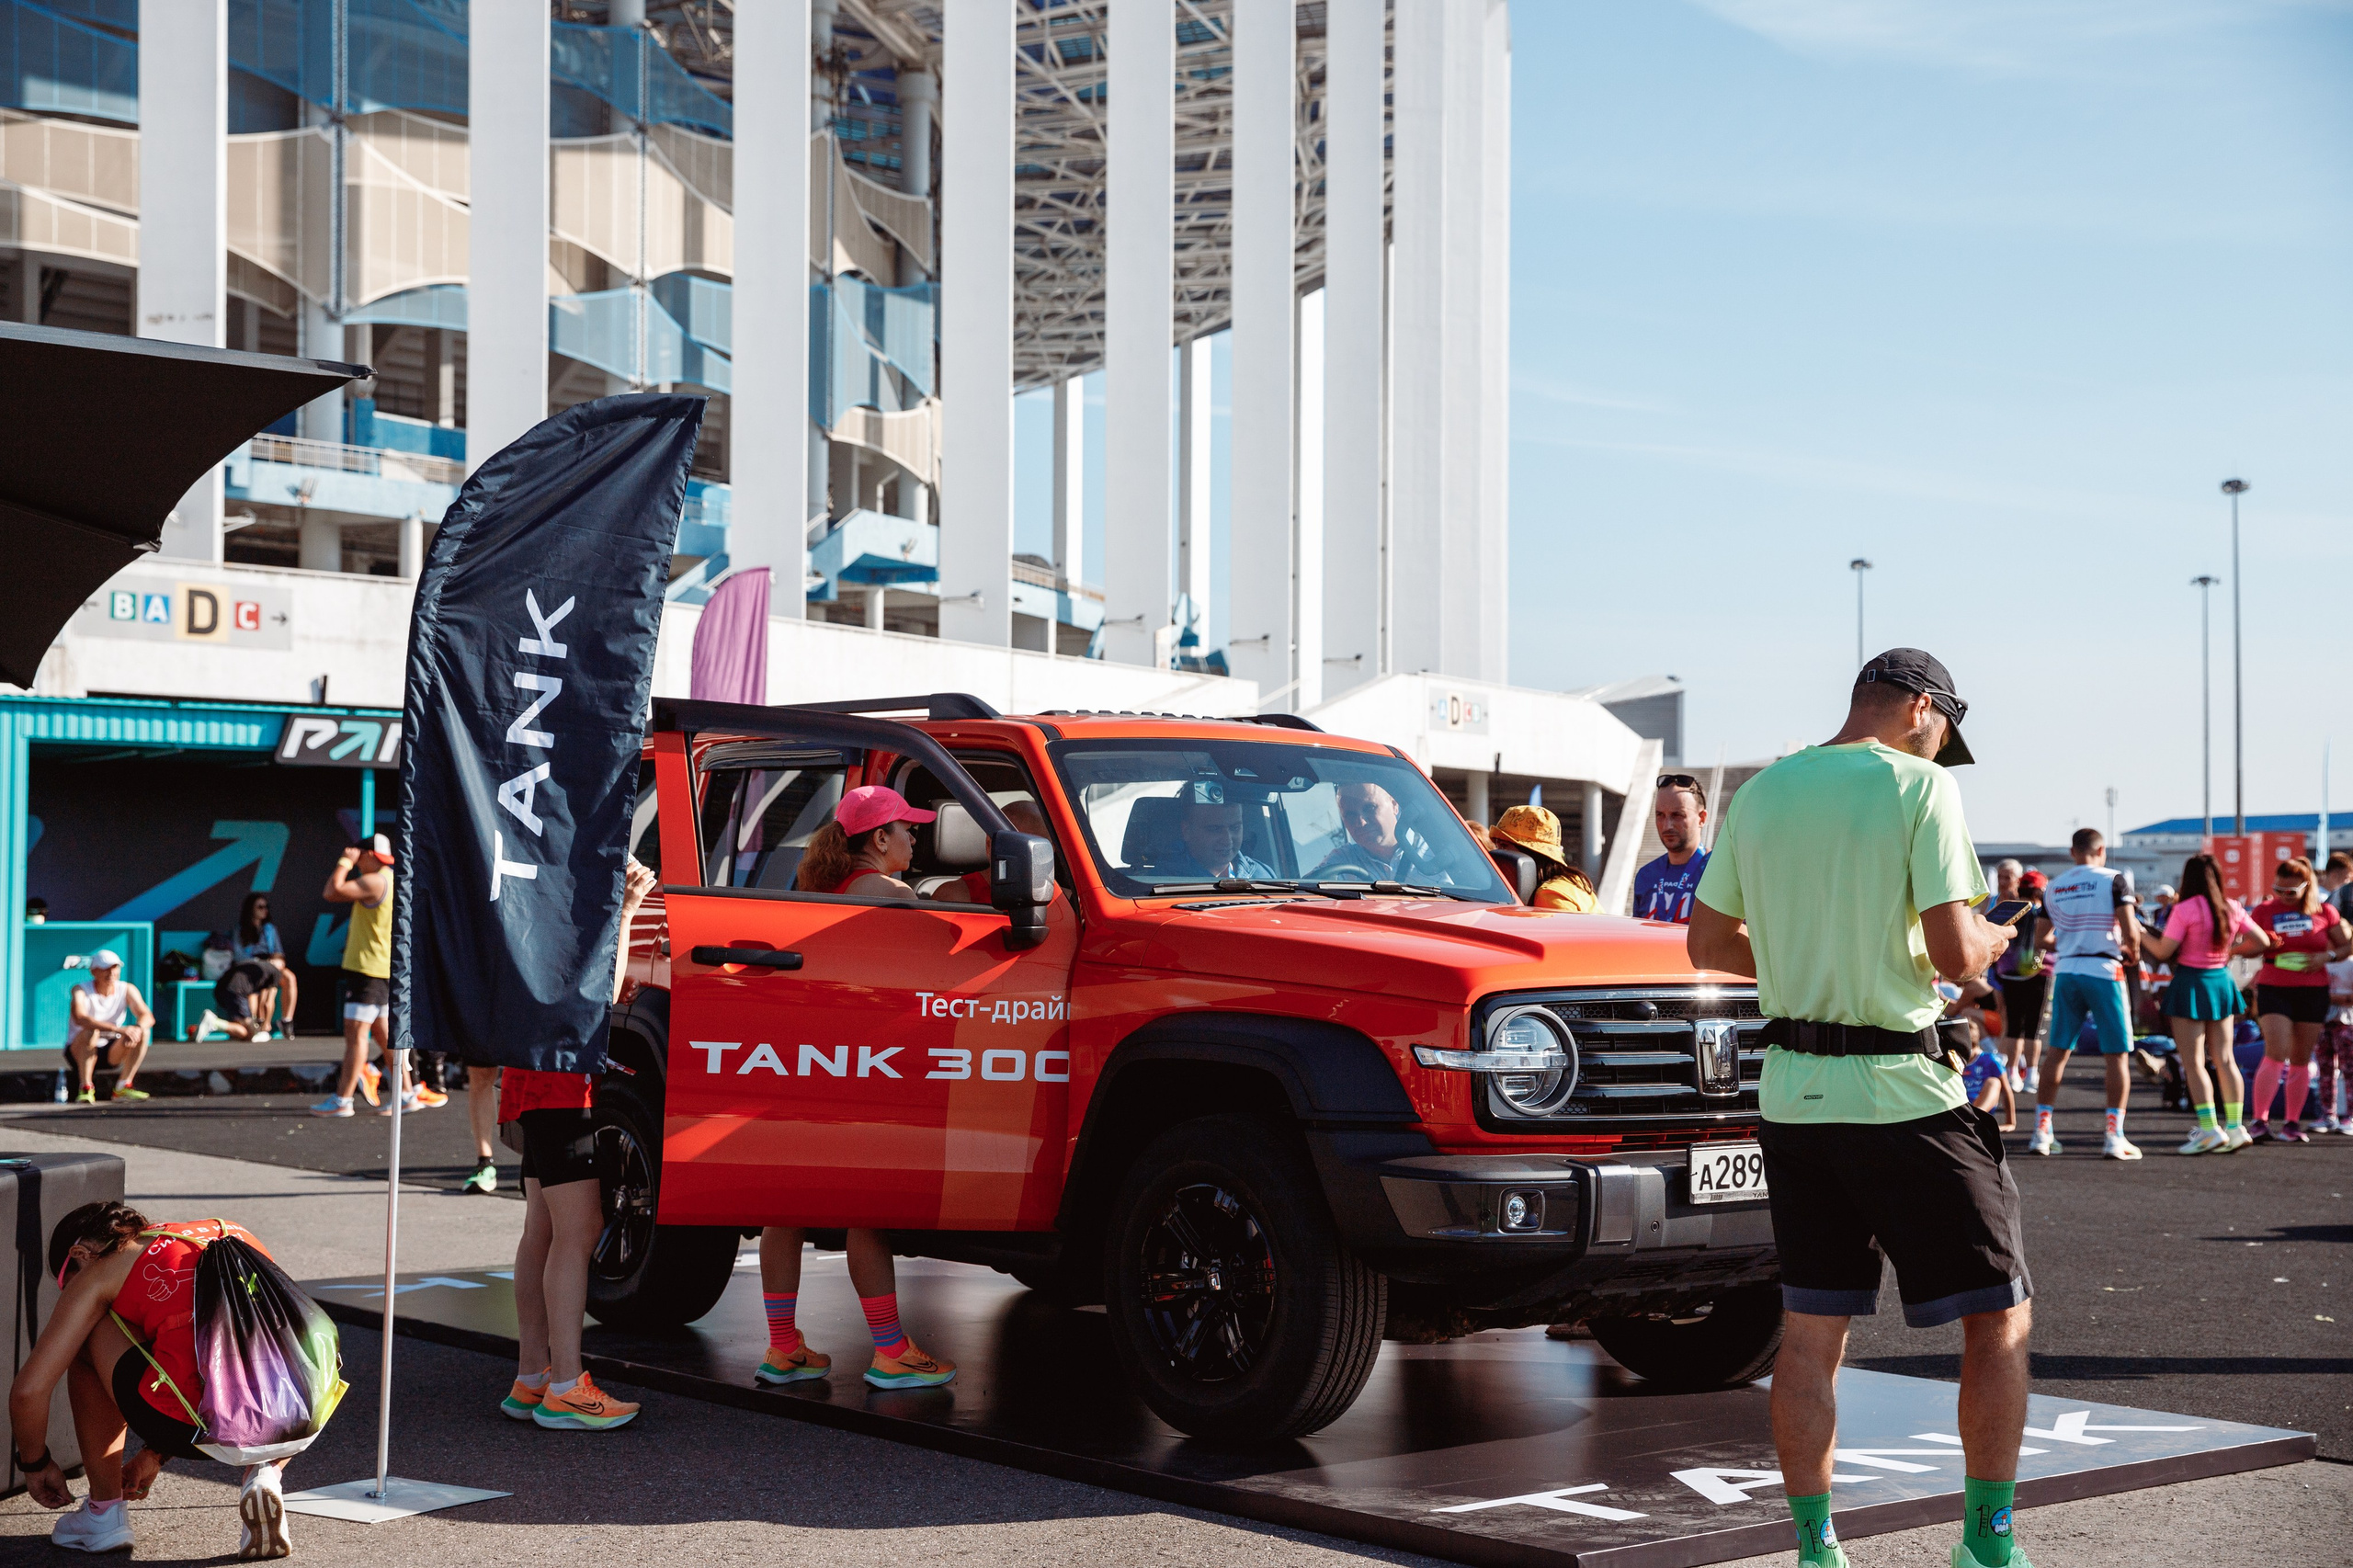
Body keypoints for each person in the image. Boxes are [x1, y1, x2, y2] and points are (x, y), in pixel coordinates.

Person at [1686, 649, 2031, 1568]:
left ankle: (1815, 1551)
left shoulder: (1761, 790)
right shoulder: (1920, 787)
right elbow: (1957, 955)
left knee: (1808, 1334)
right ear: (1922, 707)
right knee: (1998, 1316)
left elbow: (1708, 943)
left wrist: (1809, 962)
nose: (1941, 748)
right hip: (1904, 1092)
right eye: (1943, 732)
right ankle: (1987, 1547)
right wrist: (1996, 936)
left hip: (1793, 1096)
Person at [749, 811, 960, 1392]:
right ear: (879, 838)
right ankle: (891, 1350)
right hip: (865, 1064)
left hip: (808, 1057)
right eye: (908, 830)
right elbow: (952, 954)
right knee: (866, 1207)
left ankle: (783, 1347)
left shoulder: (817, 891)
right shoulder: (893, 894)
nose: (916, 839)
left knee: (784, 1207)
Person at [9, 1202, 293, 1558]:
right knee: (260, 1354)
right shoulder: (225, 1229)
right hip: (296, 1411)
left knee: (82, 1340)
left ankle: (104, 1513)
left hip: (193, 1424)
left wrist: (35, 1464)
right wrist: (154, 1456)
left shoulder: (104, 1269)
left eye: (68, 1282)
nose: (71, 1293)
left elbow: (28, 1392)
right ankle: (264, 1474)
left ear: (80, 1254)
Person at [499, 858, 657, 1432]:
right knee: (577, 1231)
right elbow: (597, 999)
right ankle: (566, 1384)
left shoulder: (536, 896)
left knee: (541, 1230)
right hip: (560, 1082)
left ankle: (533, 1376)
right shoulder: (563, 905)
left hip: (536, 1077)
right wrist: (629, 909)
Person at [2027, 829, 2143, 1161]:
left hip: (2066, 970)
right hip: (2104, 970)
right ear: (2101, 850)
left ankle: (2042, 1131)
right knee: (2117, 1055)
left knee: (2057, 1052)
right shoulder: (2114, 879)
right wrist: (2131, 950)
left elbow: (2041, 938)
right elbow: (2130, 928)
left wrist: (2069, 939)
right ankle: (2114, 1136)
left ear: (2072, 851)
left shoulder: (2056, 885)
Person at [2141, 851, 2269, 1154]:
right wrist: (2232, 951)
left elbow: (2163, 950)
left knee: (2194, 1062)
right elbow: (2261, 942)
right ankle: (2236, 1127)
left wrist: (2138, 933)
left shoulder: (2185, 909)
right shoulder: (2232, 906)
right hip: (2221, 981)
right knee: (2225, 1059)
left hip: (2191, 982)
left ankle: (2210, 1129)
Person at [312, 835, 442, 1117]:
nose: (359, 863)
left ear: (368, 854)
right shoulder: (392, 878)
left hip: (369, 971)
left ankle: (342, 1100)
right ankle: (407, 1094)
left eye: (361, 857)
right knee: (385, 1037)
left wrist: (345, 861)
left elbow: (332, 891)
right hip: (383, 969)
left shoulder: (375, 881)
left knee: (356, 1035)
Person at [2245, 856, 2352, 1143]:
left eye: (2290, 892)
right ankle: (2259, 1121)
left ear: (2307, 887)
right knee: (2275, 1051)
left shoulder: (2325, 912)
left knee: (2302, 1058)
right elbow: (2244, 947)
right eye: (2279, 890)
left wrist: (2326, 956)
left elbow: (2346, 944)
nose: (2283, 897)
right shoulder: (2264, 910)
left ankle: (2292, 1123)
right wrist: (2262, 942)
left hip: (2313, 991)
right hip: (2274, 987)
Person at [1988, 864, 2048, 1096]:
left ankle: (2012, 1072)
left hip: (2008, 971)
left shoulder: (2010, 909)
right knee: (2033, 1027)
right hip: (2037, 970)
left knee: (2013, 1026)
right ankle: (2032, 1073)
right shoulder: (2042, 911)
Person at [1309, 781, 1444, 882]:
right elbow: (1300, 895)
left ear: (1394, 805)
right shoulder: (1342, 861)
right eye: (1350, 815)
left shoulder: (1438, 853)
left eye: (1370, 808)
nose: (1361, 822)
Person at [64, 950, 153, 1105]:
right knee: (91, 1031)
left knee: (143, 1031)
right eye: (105, 968)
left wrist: (137, 1029)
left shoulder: (127, 989)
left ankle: (123, 1086)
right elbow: (81, 1018)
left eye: (115, 968)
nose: (111, 973)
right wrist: (118, 1029)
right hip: (79, 1051)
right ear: (94, 971)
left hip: (111, 1052)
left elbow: (147, 1016)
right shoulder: (80, 989)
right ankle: (85, 1088)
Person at [1489, 804, 1598, 912]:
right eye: (1496, 845)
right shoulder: (1573, 882)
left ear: (1531, 853)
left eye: (1503, 846)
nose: (1497, 852)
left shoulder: (1548, 895)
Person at [1631, 775, 1710, 923]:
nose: (1667, 825)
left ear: (1702, 819)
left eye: (1677, 815)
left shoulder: (1718, 871)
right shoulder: (1646, 875)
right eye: (1660, 815)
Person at [1155, 792, 1274, 882]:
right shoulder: (1160, 882)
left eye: (1235, 828)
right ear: (1187, 831)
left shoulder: (1263, 875)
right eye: (1215, 829)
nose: (1227, 841)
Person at [230, 891, 296, 1036]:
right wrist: (257, 963)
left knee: (290, 978)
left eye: (266, 907)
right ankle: (256, 1024)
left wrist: (277, 961)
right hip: (250, 968)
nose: (264, 910)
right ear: (251, 909)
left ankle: (286, 1021)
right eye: (260, 907)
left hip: (271, 967)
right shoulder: (240, 930)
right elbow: (239, 955)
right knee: (259, 989)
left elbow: (279, 953)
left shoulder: (270, 929)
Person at [196, 957, 283, 1044]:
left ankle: (214, 1024)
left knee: (242, 1032)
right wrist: (266, 1023)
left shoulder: (252, 963)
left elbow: (253, 997)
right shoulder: (276, 972)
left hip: (220, 989)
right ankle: (213, 1022)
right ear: (281, 966)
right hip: (236, 991)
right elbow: (268, 1002)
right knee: (251, 1034)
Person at [2322, 951, 2353, 1134]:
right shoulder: (2322, 964)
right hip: (2323, 1023)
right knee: (2325, 1070)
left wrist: (2330, 998)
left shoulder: (2350, 964)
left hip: (2347, 1023)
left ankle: (2350, 1116)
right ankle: (2327, 1115)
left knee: (2350, 1070)